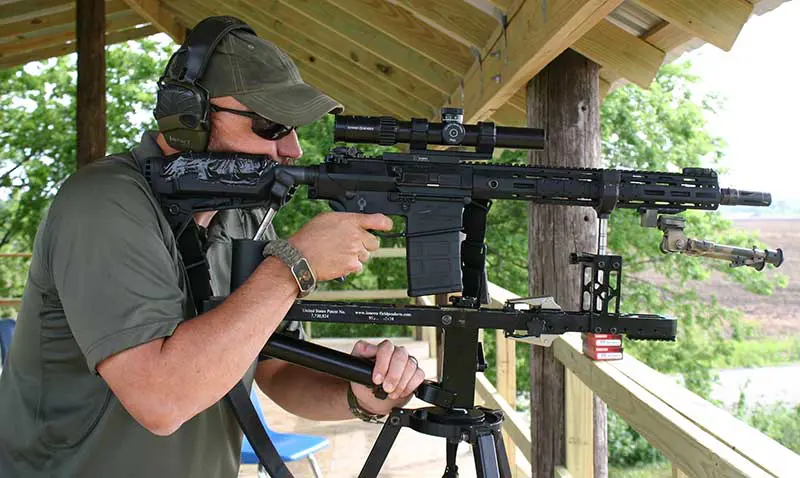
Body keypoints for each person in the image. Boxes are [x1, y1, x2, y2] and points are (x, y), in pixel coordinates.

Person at [0, 16, 425, 477]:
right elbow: (160, 398)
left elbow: (274, 368)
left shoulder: (240, 211)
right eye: (270, 125)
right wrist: (292, 267)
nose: (293, 150)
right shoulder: (104, 203)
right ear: (191, 118)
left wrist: (360, 394)